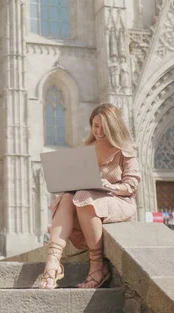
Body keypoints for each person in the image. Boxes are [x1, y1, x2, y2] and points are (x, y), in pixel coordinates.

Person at [39, 103, 141, 289]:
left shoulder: (125, 149)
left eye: (104, 127)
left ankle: (97, 266)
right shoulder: (86, 148)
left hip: (118, 200)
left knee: (83, 196)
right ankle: (53, 261)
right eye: (95, 126)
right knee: (69, 197)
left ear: (114, 127)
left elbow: (132, 186)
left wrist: (111, 186)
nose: (99, 131)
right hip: (85, 203)